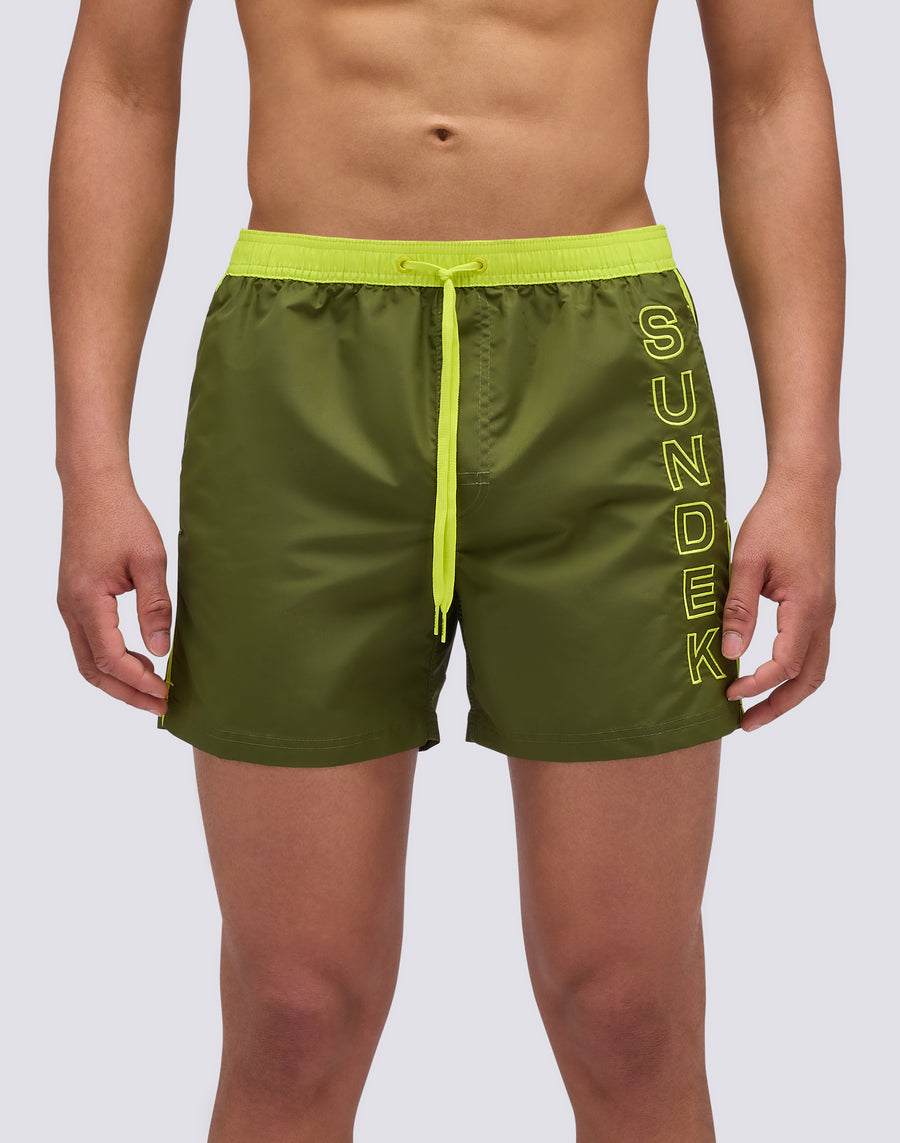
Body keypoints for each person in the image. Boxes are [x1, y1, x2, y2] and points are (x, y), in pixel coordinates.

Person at [49, 0, 842, 1139]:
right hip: (298, 373)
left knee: (627, 1011)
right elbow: (120, 83)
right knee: (293, 1013)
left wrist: (807, 466)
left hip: (606, 371)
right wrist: (89, 465)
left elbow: (772, 88)